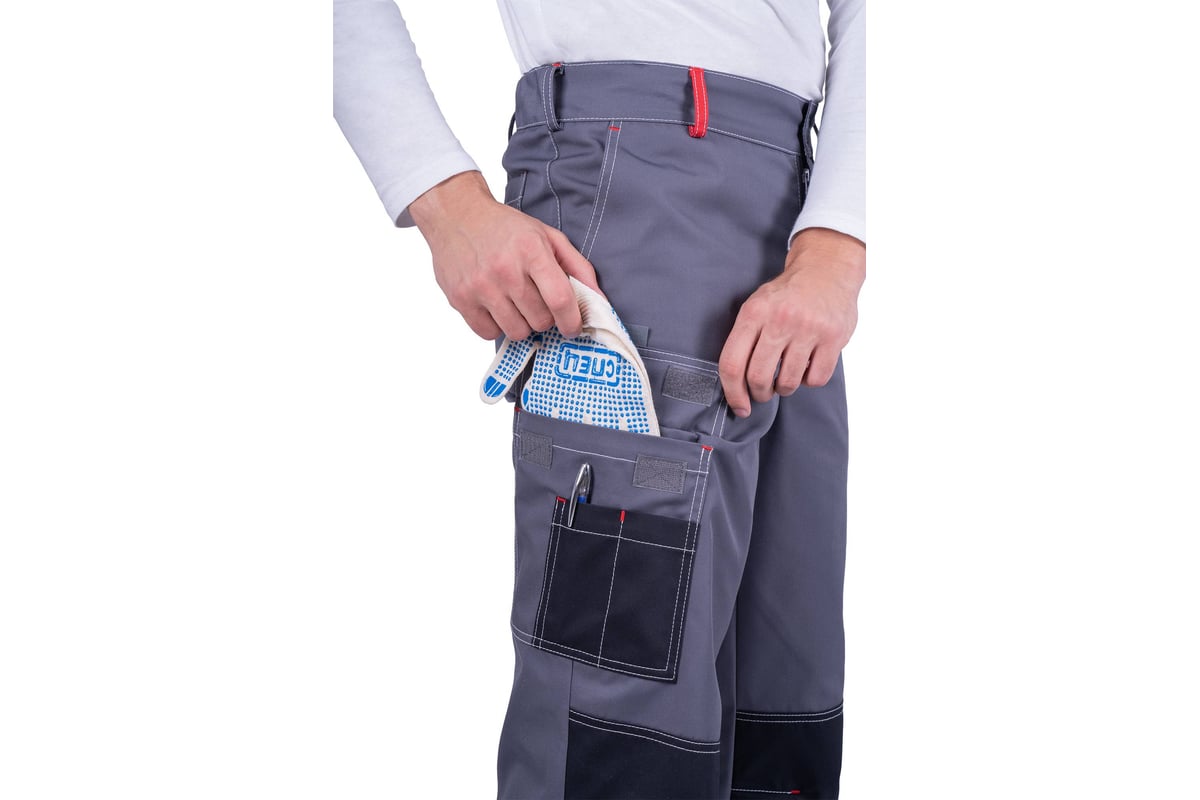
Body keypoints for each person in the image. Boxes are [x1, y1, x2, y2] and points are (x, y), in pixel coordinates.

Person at [333, 1, 864, 797]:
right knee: (618, 729)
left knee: (783, 705)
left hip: (802, 209)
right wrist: (442, 196)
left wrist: (839, 237)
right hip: (626, 185)